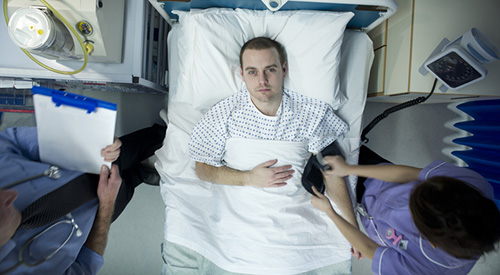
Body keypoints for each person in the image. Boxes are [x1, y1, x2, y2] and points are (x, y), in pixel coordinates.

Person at [171, 37, 359, 273]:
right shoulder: (223, 114)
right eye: (252, 72)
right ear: (241, 73)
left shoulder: (311, 112)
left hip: (297, 236)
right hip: (240, 241)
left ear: (283, 69)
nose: (262, 80)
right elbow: (203, 168)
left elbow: (332, 170)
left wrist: (352, 229)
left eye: (270, 70)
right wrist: (248, 178)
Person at [0, 124, 166, 274]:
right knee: (128, 184)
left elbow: (13, 140)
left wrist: (82, 144)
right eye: (2, 211)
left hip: (85, 165)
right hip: (94, 219)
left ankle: (164, 133)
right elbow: (86, 265)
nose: (11, 194)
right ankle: (141, 173)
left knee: (142, 143)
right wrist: (106, 209)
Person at [311, 146, 500, 275]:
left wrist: (331, 212)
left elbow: (369, 248)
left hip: (372, 218)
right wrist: (350, 169)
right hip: (381, 176)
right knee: (332, 151)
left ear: (430, 239)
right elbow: (410, 174)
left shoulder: (421, 269)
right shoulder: (473, 186)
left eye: (412, 207)